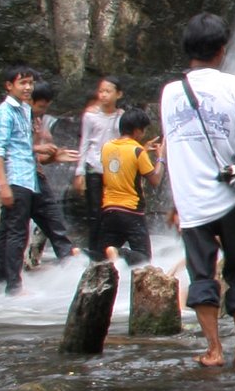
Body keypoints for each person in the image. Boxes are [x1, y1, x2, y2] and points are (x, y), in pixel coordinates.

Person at [161, 13, 235, 367]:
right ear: (223, 50)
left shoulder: (170, 94)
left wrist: (173, 202)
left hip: (192, 201)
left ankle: (213, 349)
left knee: (201, 273)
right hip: (232, 198)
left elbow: (173, 147)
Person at [0, 65, 43, 296]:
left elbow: (23, 145)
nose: (28, 87)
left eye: (30, 83)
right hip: (15, 178)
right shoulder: (4, 113)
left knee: (7, 231)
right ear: (9, 86)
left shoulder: (24, 110)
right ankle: (13, 285)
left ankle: (0, 282)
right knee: (17, 233)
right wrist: (3, 185)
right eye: (22, 83)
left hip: (27, 177)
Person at [95, 108, 160, 267]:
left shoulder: (107, 147)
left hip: (109, 210)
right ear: (137, 130)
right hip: (131, 212)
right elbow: (155, 179)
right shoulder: (137, 151)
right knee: (144, 259)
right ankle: (121, 253)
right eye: (143, 130)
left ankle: (81, 254)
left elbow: (123, 162)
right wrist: (161, 157)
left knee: (102, 259)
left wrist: (143, 149)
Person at [26, 81, 80, 263]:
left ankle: (70, 266)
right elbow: (10, 151)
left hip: (37, 176)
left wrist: (55, 157)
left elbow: (37, 159)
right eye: (40, 106)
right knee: (14, 231)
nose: (43, 111)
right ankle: (8, 279)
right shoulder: (17, 119)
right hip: (21, 180)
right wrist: (40, 147)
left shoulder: (38, 121)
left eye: (46, 107)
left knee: (55, 224)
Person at [75, 76, 124, 256]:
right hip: (94, 167)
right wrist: (79, 172)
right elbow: (85, 142)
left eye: (108, 91)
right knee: (95, 211)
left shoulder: (122, 117)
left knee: (112, 210)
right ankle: (94, 250)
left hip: (114, 170)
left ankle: (109, 248)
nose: (103, 95)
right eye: (101, 91)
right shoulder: (90, 116)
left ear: (118, 94)